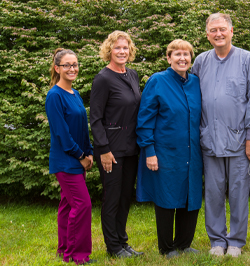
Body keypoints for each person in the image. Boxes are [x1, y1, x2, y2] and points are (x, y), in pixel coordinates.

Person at [191, 13, 250, 257]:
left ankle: (235, 242)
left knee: (238, 193)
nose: (218, 34)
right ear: (207, 34)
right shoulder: (200, 61)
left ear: (232, 31)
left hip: (239, 141)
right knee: (212, 194)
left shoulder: (247, 59)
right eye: (213, 30)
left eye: (222, 29)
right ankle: (217, 241)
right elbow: (192, 99)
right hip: (209, 140)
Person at [136, 39, 203, 259]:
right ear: (169, 58)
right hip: (165, 152)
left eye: (186, 54)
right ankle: (167, 247)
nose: (182, 58)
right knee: (166, 198)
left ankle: (184, 243)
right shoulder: (158, 81)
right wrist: (149, 151)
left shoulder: (195, 82)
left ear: (191, 58)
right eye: (177, 54)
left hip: (192, 152)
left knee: (190, 197)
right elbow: (145, 119)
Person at [90, 30, 143, 258]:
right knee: (112, 199)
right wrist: (103, 150)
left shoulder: (132, 75)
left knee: (124, 198)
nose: (122, 51)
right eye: (117, 47)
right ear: (109, 50)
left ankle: (123, 242)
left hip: (131, 148)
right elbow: (95, 118)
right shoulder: (103, 78)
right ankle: (113, 247)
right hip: (111, 150)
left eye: (125, 48)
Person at [45, 48, 95, 265]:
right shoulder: (54, 95)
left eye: (75, 64)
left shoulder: (75, 94)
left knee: (68, 205)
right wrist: (81, 155)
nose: (72, 68)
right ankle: (76, 255)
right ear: (57, 68)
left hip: (78, 157)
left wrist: (90, 152)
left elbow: (82, 128)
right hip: (65, 160)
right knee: (82, 205)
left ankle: (64, 248)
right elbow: (62, 133)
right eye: (67, 65)